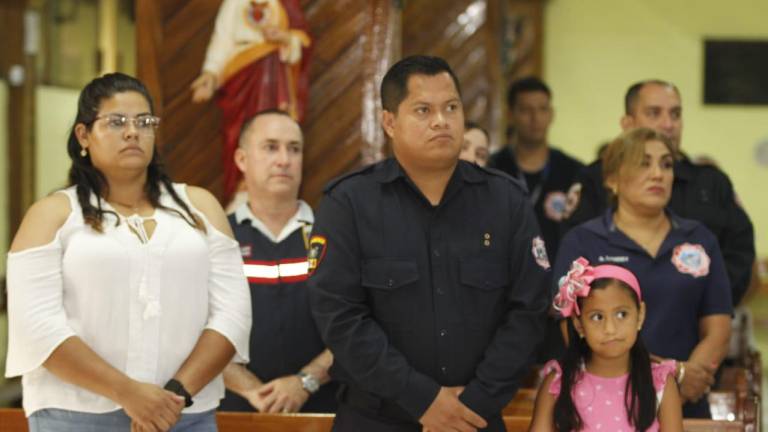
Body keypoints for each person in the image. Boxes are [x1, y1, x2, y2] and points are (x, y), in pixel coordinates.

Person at [308, 55, 550, 432]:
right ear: (389, 122)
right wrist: (422, 399)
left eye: (451, 107)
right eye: (423, 110)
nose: (441, 120)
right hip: (376, 419)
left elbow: (529, 310)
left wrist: (471, 405)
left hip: (475, 419)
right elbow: (340, 318)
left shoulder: (506, 202)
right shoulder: (349, 204)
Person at [5, 73, 252, 431]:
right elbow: (38, 329)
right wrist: (128, 394)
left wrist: (174, 395)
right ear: (83, 135)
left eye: (144, 122)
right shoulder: (52, 215)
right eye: (116, 122)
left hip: (182, 416)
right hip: (75, 417)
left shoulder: (199, 207)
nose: (133, 131)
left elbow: (233, 315)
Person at [553, 127, 732, 418]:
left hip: (688, 403)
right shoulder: (582, 241)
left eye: (666, 164)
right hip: (608, 402)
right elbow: (572, 329)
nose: (658, 174)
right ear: (612, 179)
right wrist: (670, 376)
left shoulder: (700, 239)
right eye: (643, 163)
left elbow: (719, 329)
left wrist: (687, 380)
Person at [562, 80, 755, 307]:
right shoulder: (598, 177)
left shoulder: (711, 182)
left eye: (675, 114)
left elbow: (739, 254)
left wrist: (706, 307)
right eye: (654, 113)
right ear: (628, 124)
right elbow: (573, 260)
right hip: (612, 323)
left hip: (698, 324)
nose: (668, 124)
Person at [219, 109, 337, 413]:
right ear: (241, 160)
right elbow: (193, 331)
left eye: (294, 149)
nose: (284, 159)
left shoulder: (335, 234)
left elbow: (360, 324)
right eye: (271, 147)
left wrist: (305, 381)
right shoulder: (218, 237)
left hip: (324, 411)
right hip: (235, 413)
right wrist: (254, 392)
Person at [529, 258, 683, 432]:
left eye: (622, 314)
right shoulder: (559, 383)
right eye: (597, 317)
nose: (610, 329)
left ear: (640, 315)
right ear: (579, 325)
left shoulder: (660, 383)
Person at [190, 0, 311, 202]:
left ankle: (277, 192)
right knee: (238, 135)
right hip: (240, 79)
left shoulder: (286, 3)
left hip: (276, 80)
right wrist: (210, 74)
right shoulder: (233, 3)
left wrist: (285, 37)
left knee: (276, 135)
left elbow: (304, 41)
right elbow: (222, 40)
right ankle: (241, 193)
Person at [488, 76, 584, 260]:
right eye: (526, 110)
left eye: (542, 109)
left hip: (560, 277)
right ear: (511, 114)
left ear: (552, 114)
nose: (535, 118)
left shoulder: (574, 171)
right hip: (504, 273)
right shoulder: (493, 169)